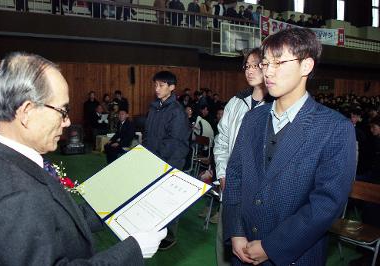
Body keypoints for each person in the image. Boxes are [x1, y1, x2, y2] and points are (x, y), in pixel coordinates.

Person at [0, 52, 167, 265]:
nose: (67, 122)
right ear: (27, 112)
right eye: (63, 110)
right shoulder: (15, 198)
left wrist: (117, 203)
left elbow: (59, 219)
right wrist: (134, 250)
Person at [223, 28, 356, 265]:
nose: (268, 72)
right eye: (265, 63)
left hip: (296, 255)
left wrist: (271, 247)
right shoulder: (253, 118)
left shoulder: (335, 128)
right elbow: (234, 176)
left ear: (306, 66)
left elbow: (326, 203)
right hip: (242, 250)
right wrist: (235, 231)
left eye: (279, 63)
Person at [214, 47, 270, 266]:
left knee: (255, 249)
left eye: (256, 65)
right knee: (226, 242)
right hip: (232, 185)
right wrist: (222, 174)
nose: (250, 70)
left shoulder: (277, 105)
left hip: (259, 192)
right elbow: (222, 141)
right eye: (247, 65)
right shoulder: (236, 102)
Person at [143, 71, 190, 250]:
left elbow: (174, 141)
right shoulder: (155, 107)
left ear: (172, 87)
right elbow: (148, 134)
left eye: (161, 85)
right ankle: (156, 230)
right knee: (153, 199)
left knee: (168, 201)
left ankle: (169, 236)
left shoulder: (177, 111)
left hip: (170, 161)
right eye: (155, 85)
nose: (157, 89)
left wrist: (154, 157)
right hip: (154, 158)